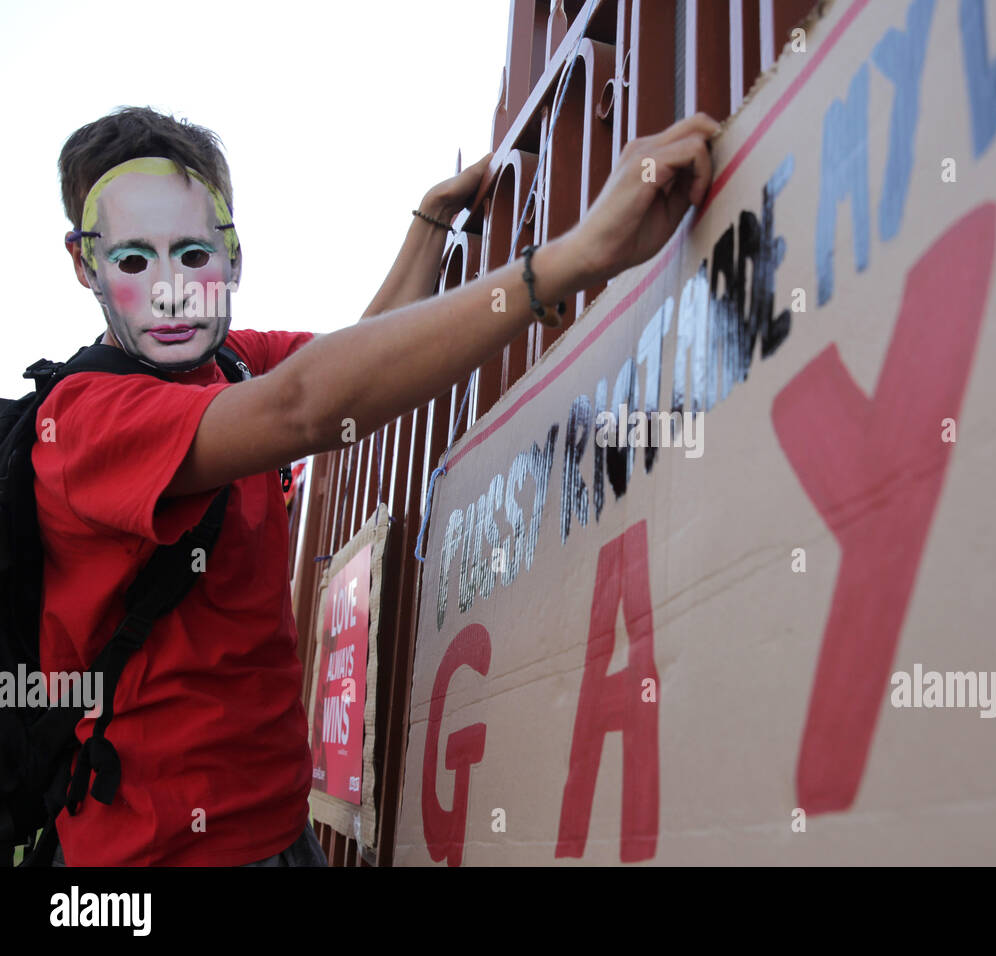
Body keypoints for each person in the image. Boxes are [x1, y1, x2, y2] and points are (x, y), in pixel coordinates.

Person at [36, 105, 719, 865]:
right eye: (133, 261)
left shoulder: (226, 362)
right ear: (84, 263)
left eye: (191, 251)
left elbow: (358, 357)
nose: (169, 290)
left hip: (276, 826)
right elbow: (304, 409)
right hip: (155, 855)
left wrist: (430, 222)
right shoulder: (88, 417)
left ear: (230, 251)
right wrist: (571, 260)